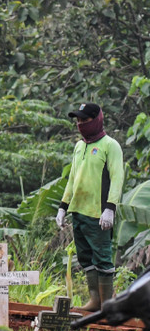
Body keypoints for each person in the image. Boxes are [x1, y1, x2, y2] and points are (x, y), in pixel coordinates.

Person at [56, 103, 124, 311]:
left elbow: (117, 177)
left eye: (85, 120)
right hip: (79, 211)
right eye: (78, 121)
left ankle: (107, 306)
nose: (80, 124)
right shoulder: (79, 146)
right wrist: (63, 206)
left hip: (99, 213)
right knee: (86, 257)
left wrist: (110, 208)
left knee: (102, 258)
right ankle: (95, 301)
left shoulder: (110, 145)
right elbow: (72, 178)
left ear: (96, 120)